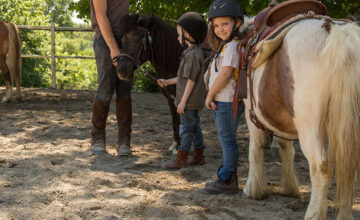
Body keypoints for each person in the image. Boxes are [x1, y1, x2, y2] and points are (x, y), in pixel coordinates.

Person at [201, 0, 245, 194]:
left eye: (225, 24)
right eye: (216, 25)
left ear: (237, 23)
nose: (220, 29)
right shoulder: (225, 47)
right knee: (225, 139)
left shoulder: (233, 46)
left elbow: (226, 73)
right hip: (222, 100)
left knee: (227, 140)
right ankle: (229, 178)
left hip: (226, 100)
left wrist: (210, 94)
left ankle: (226, 178)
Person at [157, 12, 208, 169]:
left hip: (189, 101)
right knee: (194, 127)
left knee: (186, 129)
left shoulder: (193, 55)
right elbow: (183, 78)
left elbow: (191, 81)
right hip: (192, 101)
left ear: (187, 35)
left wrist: (182, 102)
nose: (177, 38)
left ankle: (181, 159)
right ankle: (199, 155)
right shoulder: (191, 53)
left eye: (179, 34)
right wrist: (167, 81)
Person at [90, 0, 132, 156]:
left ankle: (124, 141)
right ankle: (98, 138)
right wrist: (114, 48)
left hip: (125, 37)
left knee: (124, 89)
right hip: (105, 38)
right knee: (106, 88)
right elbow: (100, 15)